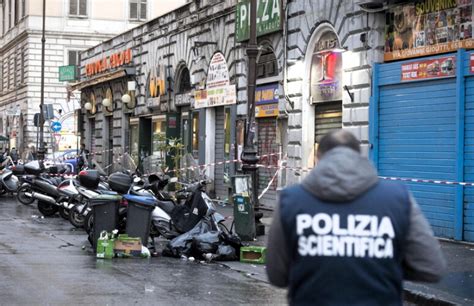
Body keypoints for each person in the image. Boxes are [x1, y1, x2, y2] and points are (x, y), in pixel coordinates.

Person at [266, 130, 446, 305]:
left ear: (318, 159)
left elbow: (276, 275)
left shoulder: (292, 200)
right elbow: (431, 267)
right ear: (359, 157)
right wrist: (381, 265)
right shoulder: (397, 198)